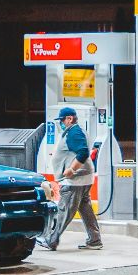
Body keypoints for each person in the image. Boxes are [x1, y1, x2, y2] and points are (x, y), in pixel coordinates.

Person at [38, 106, 102, 250]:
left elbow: (83, 152)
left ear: (69, 119)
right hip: (83, 179)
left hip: (75, 181)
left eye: (61, 120)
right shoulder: (76, 131)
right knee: (86, 210)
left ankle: (51, 240)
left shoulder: (74, 132)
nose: (60, 123)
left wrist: (72, 169)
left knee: (64, 210)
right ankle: (95, 239)